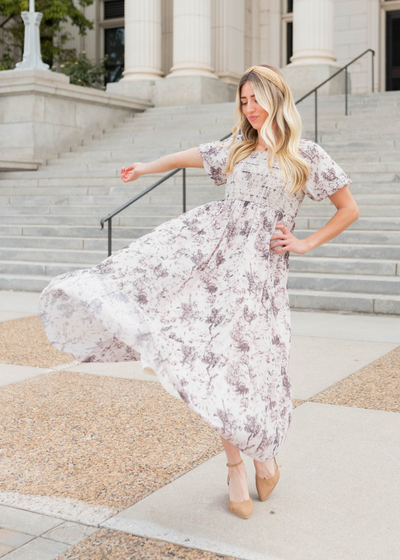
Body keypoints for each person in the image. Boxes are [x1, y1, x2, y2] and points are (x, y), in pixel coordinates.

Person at [39, 64, 359, 520]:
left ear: (277, 98)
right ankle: (234, 469)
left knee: (256, 371)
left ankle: (264, 456)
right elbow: (183, 157)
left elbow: (348, 209)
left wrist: (305, 242)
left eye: (255, 100)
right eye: (243, 101)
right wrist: (144, 167)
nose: (249, 109)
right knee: (215, 371)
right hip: (214, 270)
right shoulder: (236, 148)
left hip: (261, 281)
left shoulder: (306, 156)